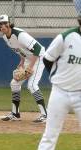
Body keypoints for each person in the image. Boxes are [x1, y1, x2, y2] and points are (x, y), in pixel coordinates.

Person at [38, 0, 81, 149]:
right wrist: (58, 78)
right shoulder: (66, 37)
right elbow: (48, 59)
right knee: (50, 135)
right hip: (60, 92)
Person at [0, 14, 47, 123]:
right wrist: (22, 62)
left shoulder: (20, 35)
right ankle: (15, 114)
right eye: (0, 24)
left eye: (5, 23)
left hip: (39, 57)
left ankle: (45, 115)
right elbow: (19, 49)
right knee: (14, 83)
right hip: (29, 58)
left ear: (9, 24)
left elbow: (37, 49)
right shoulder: (5, 37)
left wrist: (30, 67)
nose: (3, 26)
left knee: (32, 85)